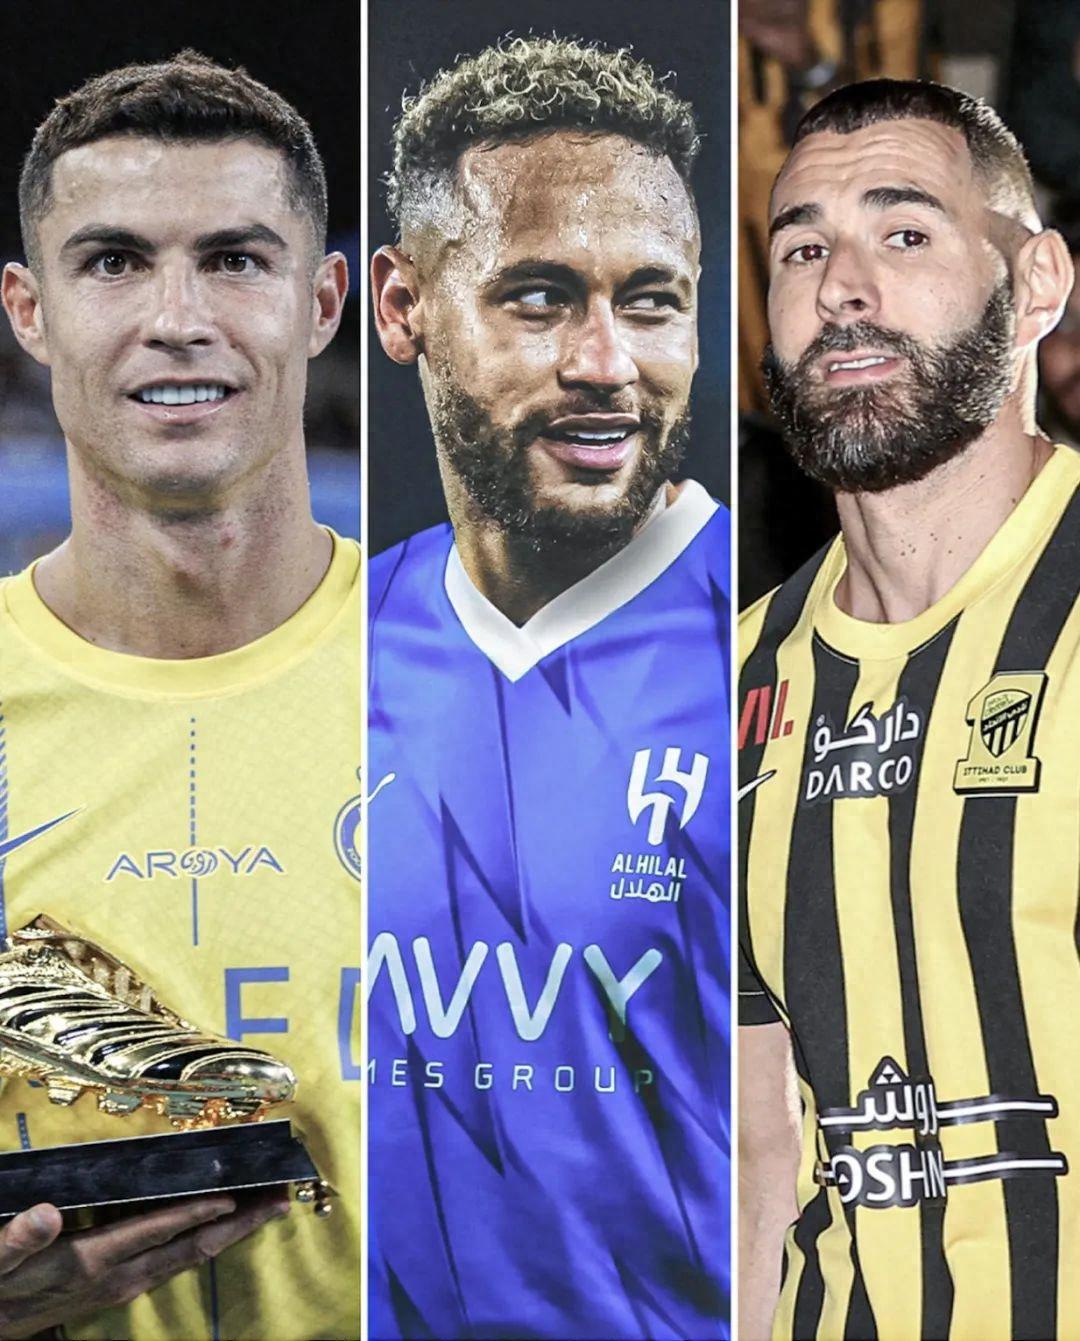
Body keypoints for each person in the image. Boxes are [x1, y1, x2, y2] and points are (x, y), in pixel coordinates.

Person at [368, 36, 730, 1341]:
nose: (606, 362)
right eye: (538, 298)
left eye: (652, 301)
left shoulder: (774, 645)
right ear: (403, 307)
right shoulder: (336, 640)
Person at [0, 51, 359, 1340]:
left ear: (322, 301)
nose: (177, 319)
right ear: (29, 311)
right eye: (112, 262)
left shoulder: (485, 683)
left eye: (235, 260)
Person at [739, 79, 1080, 1341]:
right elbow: (759, 1157)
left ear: (1036, 283)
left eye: (905, 233)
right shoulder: (726, 690)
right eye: (803, 249)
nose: (843, 287)